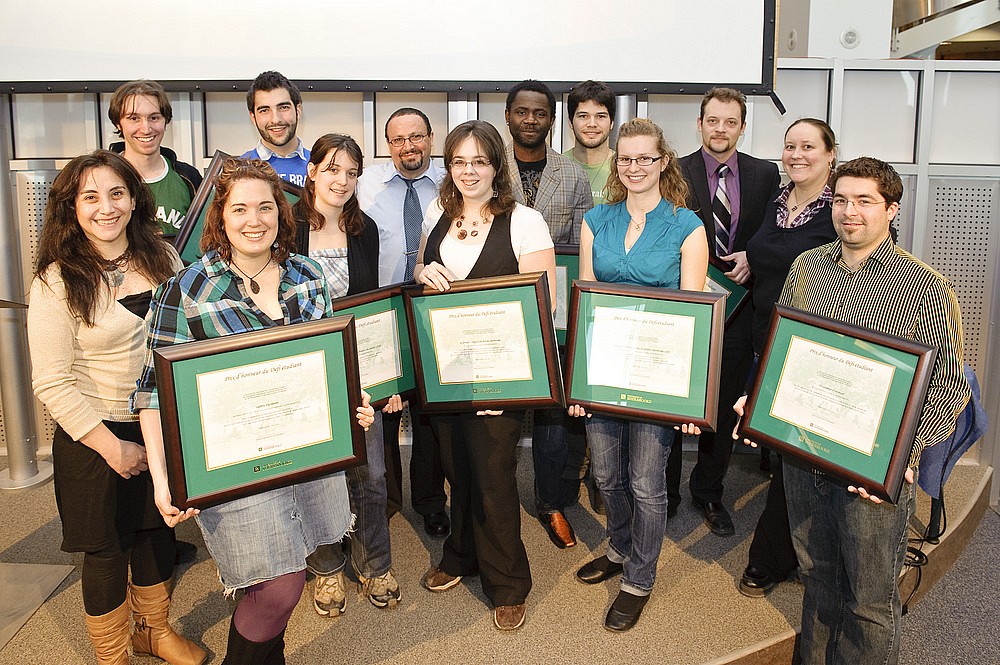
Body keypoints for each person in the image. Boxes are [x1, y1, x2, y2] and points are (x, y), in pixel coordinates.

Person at [133, 158, 375, 663]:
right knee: (280, 585)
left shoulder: (307, 276)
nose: (254, 219)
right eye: (239, 208)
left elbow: (332, 366)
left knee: (283, 573)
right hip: (232, 465)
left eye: (266, 207)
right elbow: (155, 395)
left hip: (307, 457)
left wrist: (356, 403)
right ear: (219, 218)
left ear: (282, 216)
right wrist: (163, 480)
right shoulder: (188, 288)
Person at [735, 157, 970, 664]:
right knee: (816, 576)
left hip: (872, 470)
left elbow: (948, 386)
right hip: (805, 459)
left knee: (869, 601)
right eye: (841, 200)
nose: (850, 212)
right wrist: (760, 403)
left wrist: (903, 457)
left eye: (865, 201)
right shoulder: (808, 267)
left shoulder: (927, 284)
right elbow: (785, 353)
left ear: (891, 209)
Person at [27, 150, 204, 665]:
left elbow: (189, 339)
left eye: (117, 193)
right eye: (90, 197)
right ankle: (112, 655)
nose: (106, 207)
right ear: (71, 208)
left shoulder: (164, 259)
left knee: (156, 535)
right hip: (94, 434)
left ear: (134, 199)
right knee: (106, 552)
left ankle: (155, 630)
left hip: (159, 422)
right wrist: (114, 448)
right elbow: (52, 382)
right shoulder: (55, 282)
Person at [415, 119, 556, 631]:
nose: (469, 171)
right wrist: (421, 274)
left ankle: (508, 582)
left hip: (500, 377)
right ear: (448, 166)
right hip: (446, 373)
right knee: (458, 470)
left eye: (479, 160)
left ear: (497, 164)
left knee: (495, 477)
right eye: (459, 161)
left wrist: (513, 387)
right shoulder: (438, 211)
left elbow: (543, 306)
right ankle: (461, 556)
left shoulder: (525, 221)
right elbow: (420, 268)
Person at [570, 118, 708, 632]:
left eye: (643, 159)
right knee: (605, 476)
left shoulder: (687, 226)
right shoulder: (595, 220)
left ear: (662, 161)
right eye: (624, 159)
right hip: (604, 371)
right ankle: (620, 546)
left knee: (646, 481)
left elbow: (695, 319)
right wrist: (579, 383)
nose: (633, 168)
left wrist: (691, 401)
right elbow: (585, 303)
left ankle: (639, 578)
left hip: (658, 375)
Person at [293, 133, 402, 616]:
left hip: (359, 370)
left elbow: (372, 309)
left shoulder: (366, 229)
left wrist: (387, 381)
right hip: (303, 372)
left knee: (372, 474)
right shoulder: (286, 227)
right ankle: (326, 569)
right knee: (318, 477)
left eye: (351, 172)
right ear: (312, 171)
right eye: (332, 168)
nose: (341, 180)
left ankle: (375, 564)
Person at [737, 118, 841, 597]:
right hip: (766, 338)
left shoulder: (840, 210)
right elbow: (767, 253)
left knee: (796, 458)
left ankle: (771, 557)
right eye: (790, 146)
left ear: (830, 154)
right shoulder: (779, 200)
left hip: (809, 349)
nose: (797, 155)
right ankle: (802, 551)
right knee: (786, 453)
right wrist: (747, 258)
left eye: (808, 147)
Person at [670, 87, 781, 535]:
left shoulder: (765, 174)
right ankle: (666, 493)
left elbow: (774, 231)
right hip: (685, 306)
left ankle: (708, 492)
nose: (720, 129)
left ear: (742, 126)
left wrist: (754, 255)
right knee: (675, 400)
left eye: (730, 122)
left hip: (739, 310)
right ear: (700, 124)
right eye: (712, 120)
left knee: (721, 405)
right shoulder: (674, 170)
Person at [504, 79, 593, 549]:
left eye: (540, 113)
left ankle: (551, 501)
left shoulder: (573, 175)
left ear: (551, 120)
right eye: (522, 111)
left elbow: (581, 251)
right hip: (499, 312)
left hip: (553, 313)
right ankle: (494, 507)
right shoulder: (489, 168)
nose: (531, 120)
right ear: (509, 116)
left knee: (553, 418)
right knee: (496, 418)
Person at [357, 107, 450, 537]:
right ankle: (388, 499)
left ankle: (431, 500)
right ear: (388, 144)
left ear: (431, 138)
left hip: (432, 307)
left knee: (429, 413)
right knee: (384, 411)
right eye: (398, 140)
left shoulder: (454, 182)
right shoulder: (365, 186)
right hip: (382, 311)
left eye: (416, 137)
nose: (408, 147)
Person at [108, 79, 203, 237]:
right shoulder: (101, 178)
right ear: (118, 123)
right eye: (134, 118)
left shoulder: (189, 178)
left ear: (166, 121)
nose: (146, 129)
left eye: (154, 118)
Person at [241, 71, 309, 186]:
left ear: (298, 110)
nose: (276, 119)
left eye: (283, 107)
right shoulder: (239, 170)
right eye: (264, 111)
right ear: (253, 117)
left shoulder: (322, 166)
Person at [564, 80, 617, 205]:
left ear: (612, 122)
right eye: (583, 116)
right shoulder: (557, 167)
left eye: (601, 116)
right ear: (570, 122)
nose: (592, 124)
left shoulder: (626, 169)